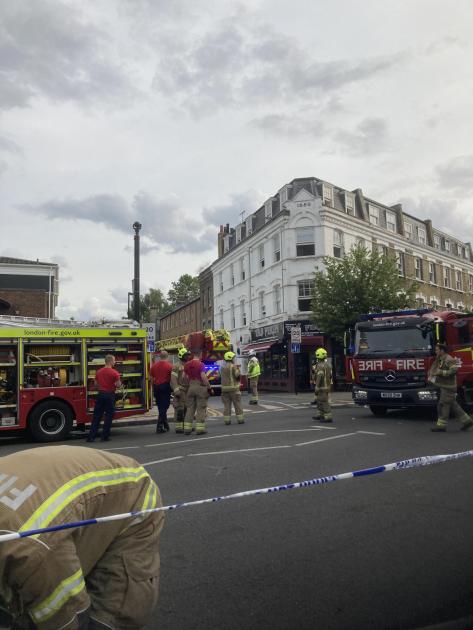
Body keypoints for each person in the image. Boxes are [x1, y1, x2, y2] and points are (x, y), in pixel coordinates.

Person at [0, 445, 164, 630]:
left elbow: (67, 618)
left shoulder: (30, 553)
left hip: (131, 495)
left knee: (112, 611)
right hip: (69, 494)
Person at [428, 343, 473, 432]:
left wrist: (440, 372)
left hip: (448, 387)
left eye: (437, 350)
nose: (435, 351)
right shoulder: (440, 359)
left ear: (442, 350)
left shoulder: (449, 359)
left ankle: (441, 426)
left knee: (442, 405)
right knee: (453, 405)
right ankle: (467, 421)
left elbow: (454, 370)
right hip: (444, 386)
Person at [87, 354, 121, 442]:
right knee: (109, 416)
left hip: (101, 395)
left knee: (97, 416)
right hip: (110, 395)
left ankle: (91, 437)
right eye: (114, 360)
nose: (115, 362)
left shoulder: (98, 372)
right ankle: (104, 436)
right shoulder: (115, 372)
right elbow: (118, 385)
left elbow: (95, 384)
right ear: (110, 361)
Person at [183, 351, 211, 435]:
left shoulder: (187, 364)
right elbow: (203, 377)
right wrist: (209, 387)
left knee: (190, 408)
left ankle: (187, 429)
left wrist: (189, 384)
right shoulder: (201, 364)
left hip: (191, 387)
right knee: (201, 408)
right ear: (200, 355)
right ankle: (200, 429)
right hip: (200, 387)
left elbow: (183, 377)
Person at [149, 350, 173, 433]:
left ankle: (166, 425)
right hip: (165, 387)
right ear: (167, 356)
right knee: (164, 407)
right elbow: (172, 379)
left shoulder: (154, 366)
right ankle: (159, 426)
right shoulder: (170, 366)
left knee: (160, 407)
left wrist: (153, 388)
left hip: (156, 387)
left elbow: (151, 379)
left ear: (160, 356)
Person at [220, 351, 244, 425]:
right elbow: (237, 375)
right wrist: (239, 370)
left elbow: (219, 376)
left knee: (227, 405)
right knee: (237, 404)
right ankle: (240, 419)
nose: (234, 359)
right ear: (230, 358)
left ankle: (227, 421)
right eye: (233, 357)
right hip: (233, 389)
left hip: (224, 389)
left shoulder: (222, 367)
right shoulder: (233, 366)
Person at [171, 347, 190, 434]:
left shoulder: (189, 365)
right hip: (180, 390)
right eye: (186, 355)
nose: (187, 357)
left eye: (188, 355)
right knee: (179, 409)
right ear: (181, 356)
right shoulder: (176, 366)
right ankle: (179, 428)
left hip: (188, 390)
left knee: (188, 409)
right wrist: (176, 389)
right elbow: (173, 379)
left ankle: (186, 426)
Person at [312, 347, 333, 423]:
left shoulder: (319, 366)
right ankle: (320, 414)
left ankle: (328, 417)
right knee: (319, 401)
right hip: (327, 386)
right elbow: (330, 376)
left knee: (323, 402)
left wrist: (317, 386)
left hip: (321, 387)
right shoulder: (328, 365)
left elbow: (320, 376)